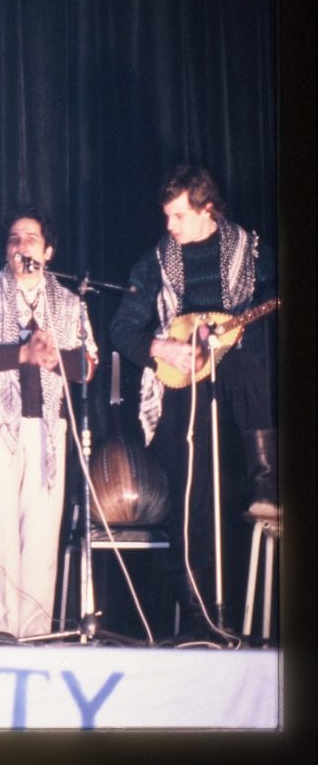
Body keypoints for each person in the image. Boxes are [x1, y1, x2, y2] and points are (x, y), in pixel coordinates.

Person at [110, 164, 276, 637]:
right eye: (167, 217)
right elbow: (123, 328)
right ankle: (202, 614)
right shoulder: (155, 262)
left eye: (179, 216)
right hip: (180, 384)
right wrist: (164, 347)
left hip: (232, 369)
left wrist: (236, 323)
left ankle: (265, 480)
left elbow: (275, 288)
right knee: (192, 492)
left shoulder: (250, 249)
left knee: (247, 367)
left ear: (207, 210)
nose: (170, 226)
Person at [0, 206, 97, 640]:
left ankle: (35, 631)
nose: (21, 246)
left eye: (31, 239)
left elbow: (89, 366)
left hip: (51, 427)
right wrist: (22, 354)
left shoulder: (70, 304)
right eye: (14, 239)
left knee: (40, 531)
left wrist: (54, 357)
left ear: (48, 251)